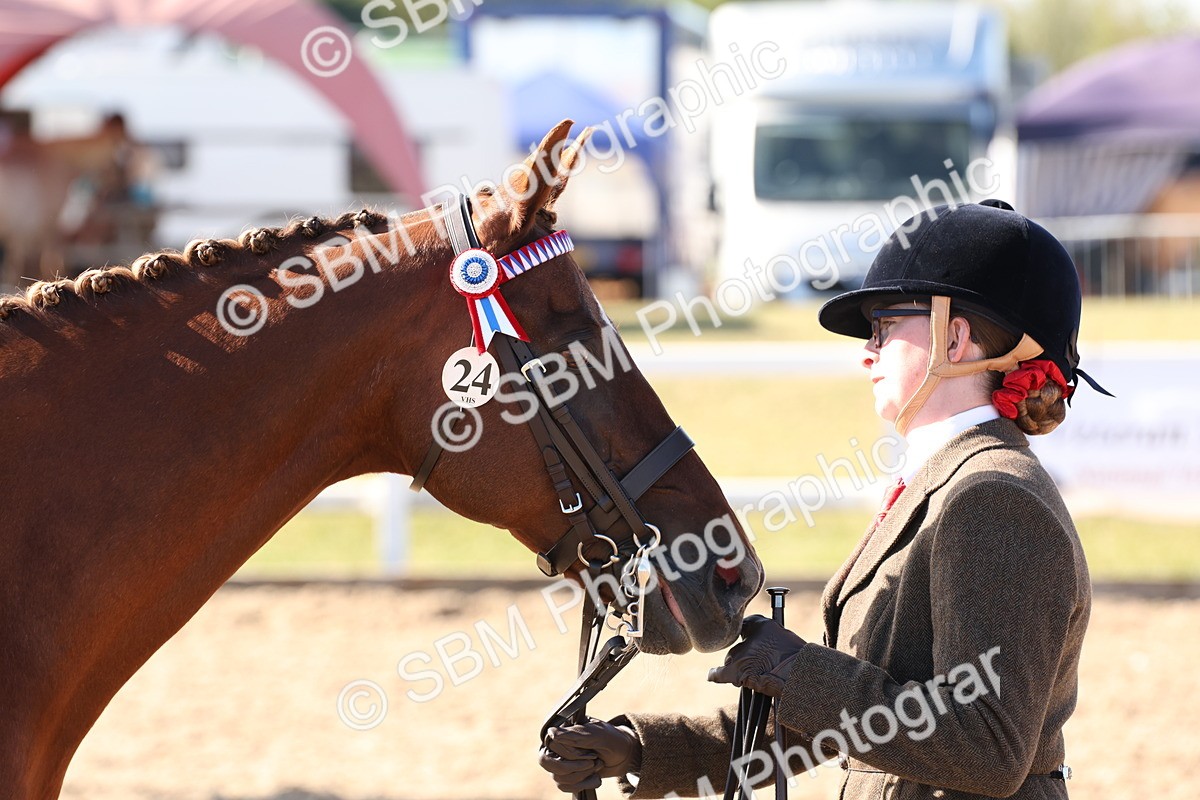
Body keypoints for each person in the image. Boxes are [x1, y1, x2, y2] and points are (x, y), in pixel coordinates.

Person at [539, 200, 1104, 800]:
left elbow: (988, 747)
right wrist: (644, 751)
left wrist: (801, 670)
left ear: (955, 337)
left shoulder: (992, 498)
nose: (868, 350)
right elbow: (850, 723)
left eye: (885, 328)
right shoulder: (951, 483)